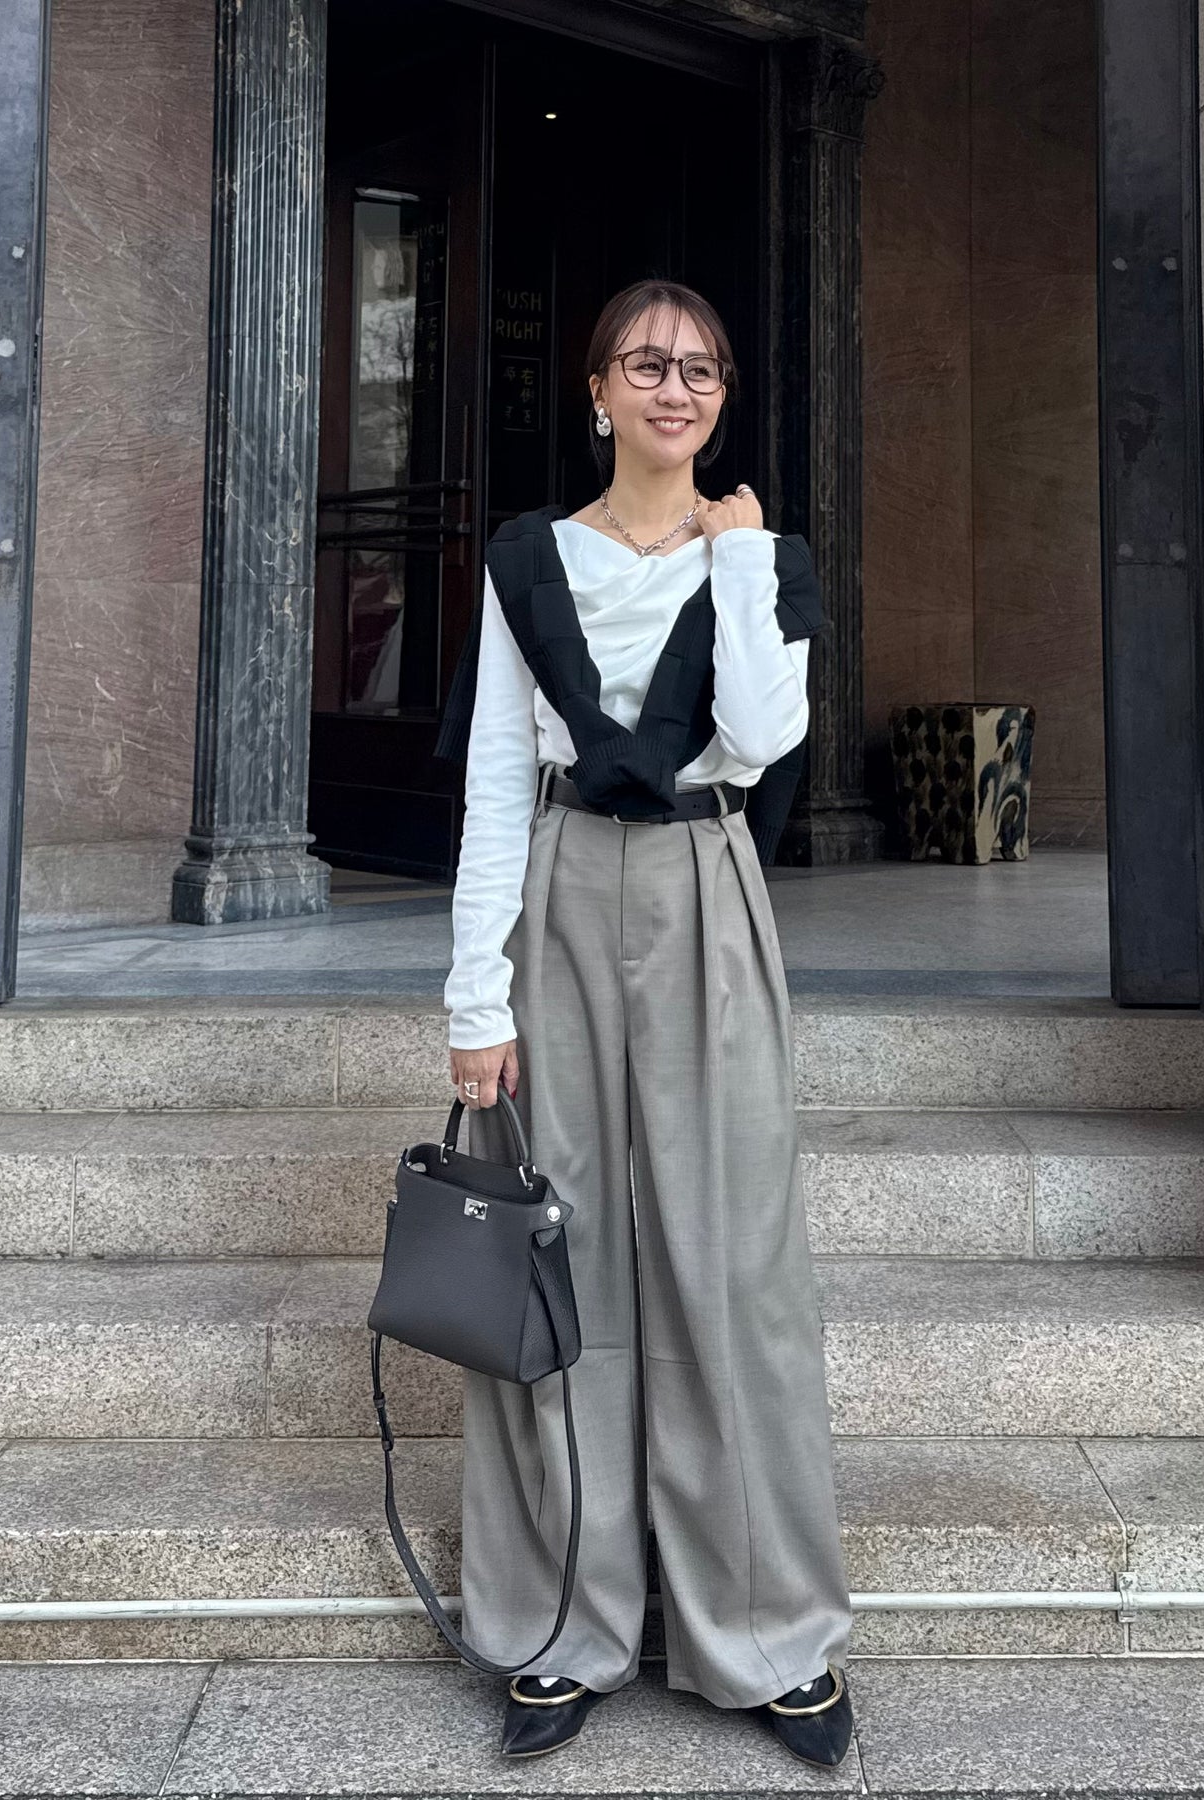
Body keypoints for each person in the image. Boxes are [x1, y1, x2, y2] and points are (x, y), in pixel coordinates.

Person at [440, 278, 855, 1766]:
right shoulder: (528, 562)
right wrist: (474, 993)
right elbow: (499, 776)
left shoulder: (762, 557)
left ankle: (769, 1631)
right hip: (558, 890)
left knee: (731, 1260)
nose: (676, 387)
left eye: (702, 369)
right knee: (558, 1255)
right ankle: (562, 1624)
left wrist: (736, 559)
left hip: (703, 882)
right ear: (597, 390)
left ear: (720, 400)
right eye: (647, 363)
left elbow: (764, 736)